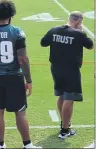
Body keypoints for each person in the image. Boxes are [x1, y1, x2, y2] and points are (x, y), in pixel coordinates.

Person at [0, 0, 41, 149]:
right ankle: (28, 144)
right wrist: (29, 79)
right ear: (11, 15)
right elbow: (23, 58)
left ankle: (0, 145)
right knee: (20, 111)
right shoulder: (16, 32)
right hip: (13, 76)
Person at [40, 11, 94, 139]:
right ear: (79, 21)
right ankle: (64, 131)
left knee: (62, 96)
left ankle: (65, 124)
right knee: (69, 98)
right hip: (71, 70)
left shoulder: (54, 30)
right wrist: (81, 31)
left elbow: (43, 43)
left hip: (55, 68)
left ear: (69, 18)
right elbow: (90, 46)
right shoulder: (78, 34)